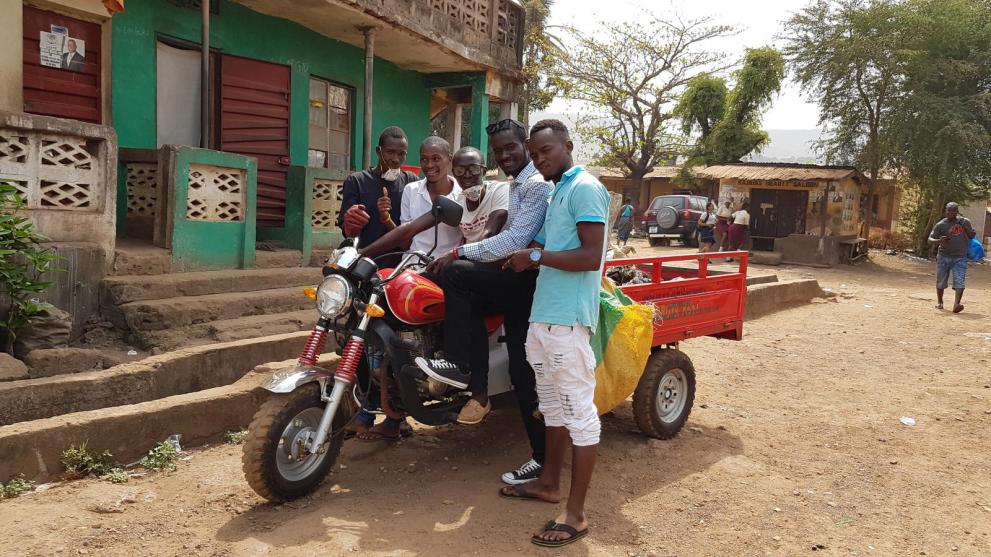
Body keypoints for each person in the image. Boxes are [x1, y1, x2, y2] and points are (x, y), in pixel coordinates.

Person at [417, 118, 551, 485]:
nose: (505, 154)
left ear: (524, 144)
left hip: (528, 280)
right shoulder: (517, 184)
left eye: (511, 147)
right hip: (514, 274)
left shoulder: (534, 186)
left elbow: (513, 240)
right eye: (499, 151)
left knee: (459, 273)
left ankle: (460, 365)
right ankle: (474, 385)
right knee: (467, 296)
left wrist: (458, 252)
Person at [499, 119, 608, 548]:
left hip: (568, 321)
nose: (539, 158)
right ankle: (547, 483)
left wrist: (536, 255)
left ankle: (576, 514)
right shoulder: (559, 189)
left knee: (580, 415)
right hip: (544, 319)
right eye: (535, 153)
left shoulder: (584, 187)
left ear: (568, 145)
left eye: (546, 150)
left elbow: (590, 255)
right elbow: (533, 243)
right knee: (552, 408)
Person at [337, 127, 419, 442]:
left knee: (394, 346)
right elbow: (346, 225)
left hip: (398, 273)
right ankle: (365, 410)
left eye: (401, 154)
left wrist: (387, 219)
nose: (396, 159)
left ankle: (397, 417)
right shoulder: (357, 182)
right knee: (354, 342)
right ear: (378, 151)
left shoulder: (411, 184)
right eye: (391, 153)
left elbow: (411, 232)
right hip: (364, 272)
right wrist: (351, 218)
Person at [359, 146, 508, 258]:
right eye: (460, 171)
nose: (467, 176)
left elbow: (490, 232)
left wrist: (456, 254)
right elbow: (409, 229)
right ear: (454, 172)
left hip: (495, 265)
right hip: (455, 266)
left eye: (474, 169)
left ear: (484, 170)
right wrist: (362, 252)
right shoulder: (456, 201)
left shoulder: (498, 191)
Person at [401, 136, 462, 256]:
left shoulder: (462, 194)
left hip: (448, 268)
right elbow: (405, 240)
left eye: (436, 159)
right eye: (424, 159)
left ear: (449, 160)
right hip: (412, 266)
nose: (429, 165)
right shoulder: (410, 190)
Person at [929, 202, 976, 313]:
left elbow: (972, 235)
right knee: (941, 280)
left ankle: (956, 304)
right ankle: (940, 302)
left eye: (953, 210)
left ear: (956, 211)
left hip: (960, 257)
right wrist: (939, 240)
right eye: (948, 210)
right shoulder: (941, 224)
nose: (950, 213)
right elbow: (929, 239)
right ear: (945, 210)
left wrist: (965, 226)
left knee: (960, 280)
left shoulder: (965, 221)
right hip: (943, 256)